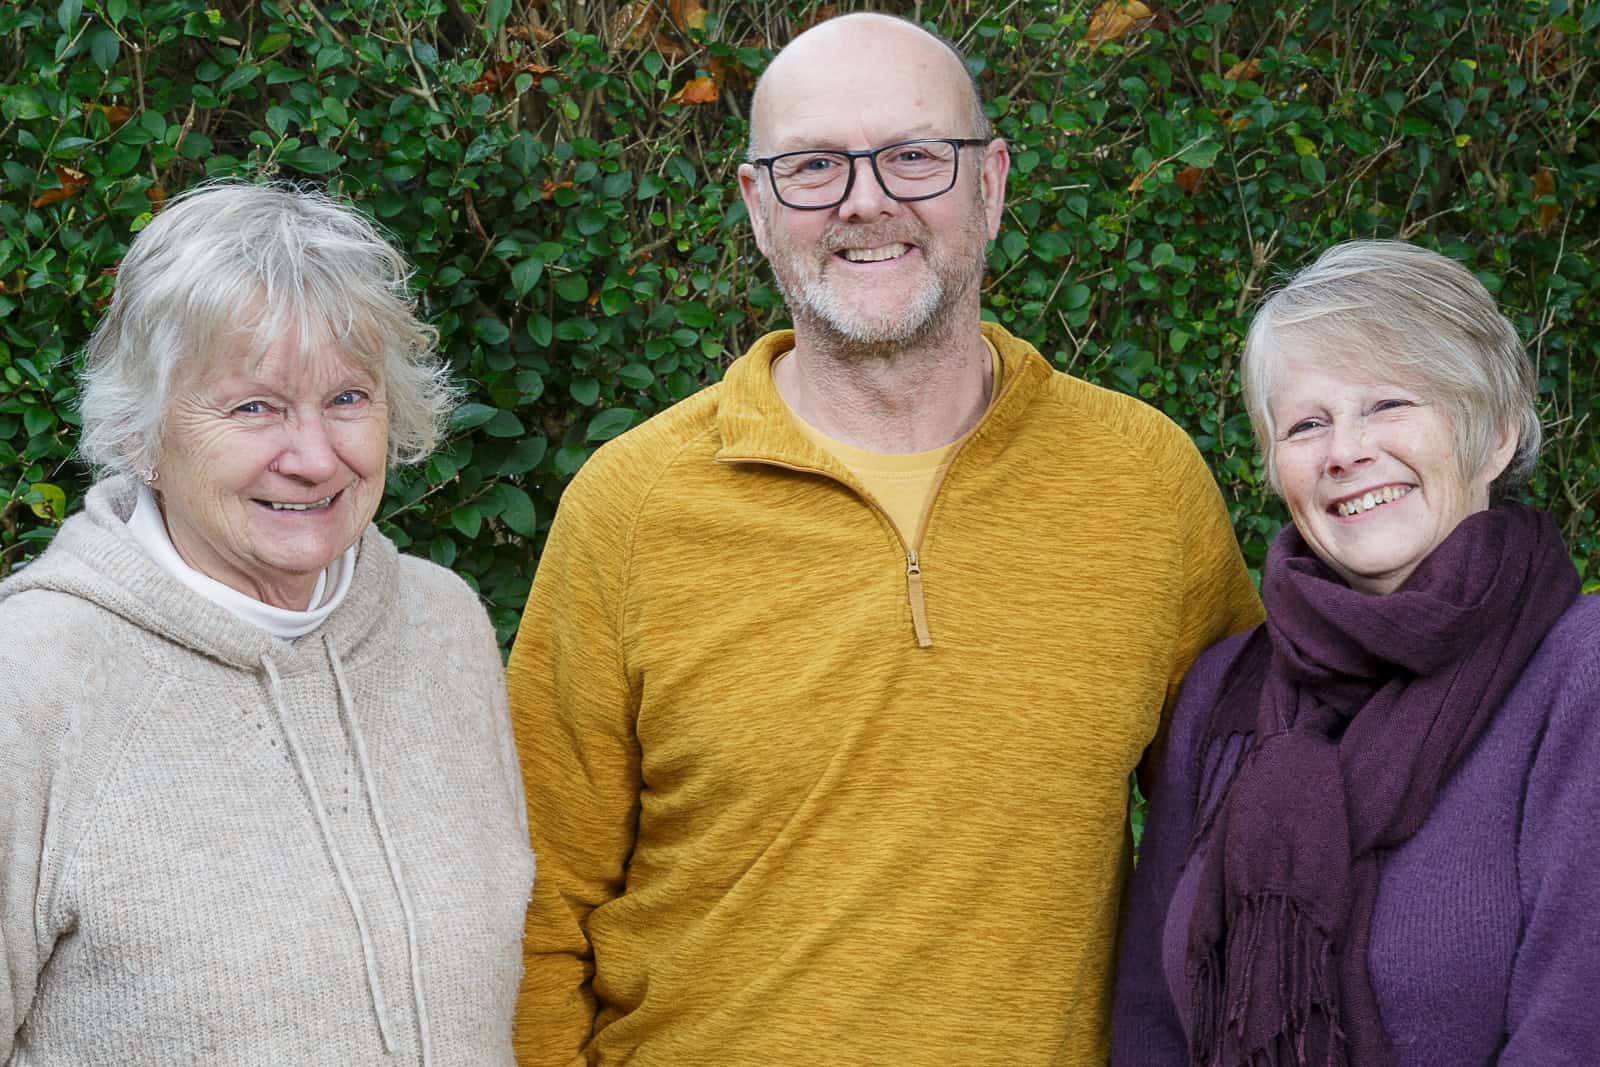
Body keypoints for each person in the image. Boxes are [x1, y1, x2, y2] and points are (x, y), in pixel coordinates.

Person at [507, 12, 1261, 1064]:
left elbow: (1247, 833)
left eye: (914, 156)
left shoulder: (1145, 482)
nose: (866, 199)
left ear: (990, 184)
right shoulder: (630, 506)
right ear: (757, 206)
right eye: (813, 165)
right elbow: (541, 903)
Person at [0, 183, 535, 1066]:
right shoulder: (34, 674)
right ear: (141, 432)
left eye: (349, 398)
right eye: (255, 407)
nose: (316, 456)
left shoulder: (445, 626)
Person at [1110, 240, 1600, 1066]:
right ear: (1276, 467)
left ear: (1496, 435)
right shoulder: (1226, 690)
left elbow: (1576, 1025)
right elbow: (1150, 1019)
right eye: (1307, 423)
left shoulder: (1576, 673)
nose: (1344, 451)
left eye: (1388, 404)